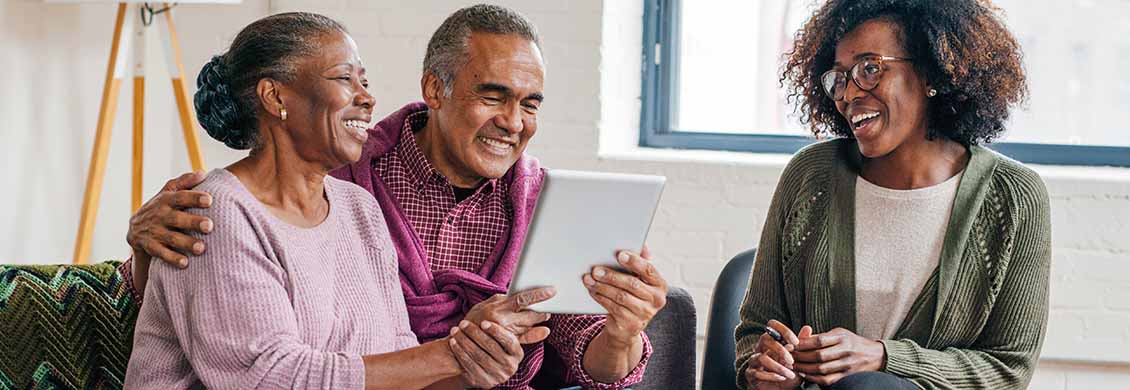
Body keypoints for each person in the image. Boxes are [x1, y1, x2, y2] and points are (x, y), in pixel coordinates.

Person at [121, 4, 666, 389]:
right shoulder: (323, 183)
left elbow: (402, 352)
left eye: (530, 104)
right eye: (493, 96)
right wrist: (143, 250)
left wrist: (617, 330)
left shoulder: (356, 208)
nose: (512, 122)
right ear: (435, 89)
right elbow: (254, 360)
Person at [734, 0, 1050, 389]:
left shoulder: (1013, 196)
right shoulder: (810, 177)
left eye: (870, 69)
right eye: (839, 77)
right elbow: (755, 330)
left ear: (932, 71)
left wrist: (883, 357)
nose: (848, 94)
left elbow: (1008, 369)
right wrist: (767, 368)